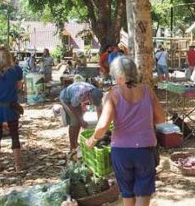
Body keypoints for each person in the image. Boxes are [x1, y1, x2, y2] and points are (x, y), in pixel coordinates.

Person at [86, 56, 165, 206]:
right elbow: (161, 118)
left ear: (118, 75)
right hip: (145, 149)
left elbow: (102, 126)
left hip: (121, 152)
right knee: (143, 193)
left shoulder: (113, 94)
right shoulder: (147, 91)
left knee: (127, 194)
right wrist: (144, 122)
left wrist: (93, 140)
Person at [0, 46, 23, 172]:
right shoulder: (16, 70)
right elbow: (19, 87)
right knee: (15, 135)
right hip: (11, 107)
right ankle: (17, 165)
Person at [59, 77, 103, 152]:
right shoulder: (79, 94)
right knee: (75, 122)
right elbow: (73, 106)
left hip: (76, 102)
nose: (92, 103)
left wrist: (100, 125)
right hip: (66, 99)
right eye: (92, 101)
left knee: (79, 121)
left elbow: (99, 110)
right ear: (89, 95)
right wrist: (80, 120)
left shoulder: (96, 92)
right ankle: (72, 145)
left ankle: (76, 143)